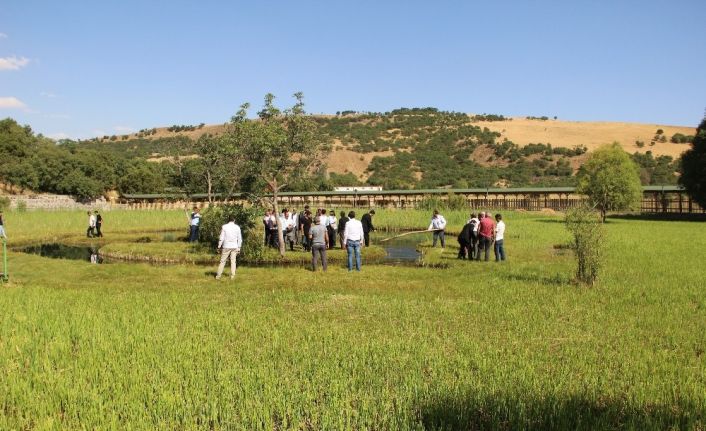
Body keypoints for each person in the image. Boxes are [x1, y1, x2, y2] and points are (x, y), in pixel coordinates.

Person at [215, 215, 242, 280]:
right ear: (234, 220)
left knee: (222, 261)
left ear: (228, 219)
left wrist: (219, 246)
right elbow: (240, 238)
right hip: (234, 246)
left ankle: (218, 276)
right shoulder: (237, 227)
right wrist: (239, 247)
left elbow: (221, 237)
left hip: (226, 246)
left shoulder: (224, 227)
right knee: (233, 261)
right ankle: (232, 276)